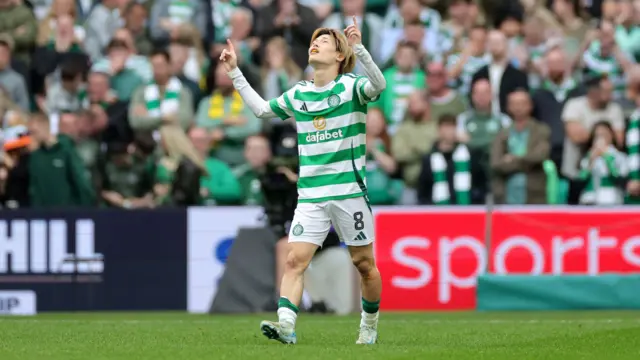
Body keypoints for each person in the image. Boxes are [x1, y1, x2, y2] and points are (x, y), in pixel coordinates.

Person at [219, 17, 385, 345]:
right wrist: (235, 72)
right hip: (311, 195)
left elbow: (378, 86)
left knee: (364, 265)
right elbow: (262, 110)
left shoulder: (352, 88)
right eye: (314, 40)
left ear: (340, 55)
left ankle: (369, 321)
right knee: (295, 260)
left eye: (324, 41)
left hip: (349, 191)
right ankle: (286, 325)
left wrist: (361, 49)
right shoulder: (300, 94)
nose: (315, 43)